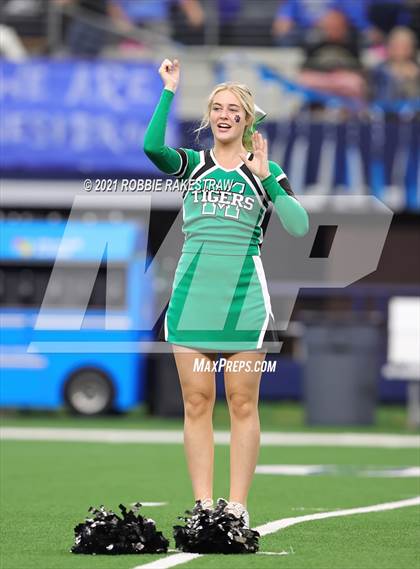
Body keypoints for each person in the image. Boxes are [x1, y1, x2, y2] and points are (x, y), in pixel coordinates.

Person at [143, 59, 309, 531]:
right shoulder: (195, 164)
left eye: (234, 109)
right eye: (216, 107)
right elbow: (151, 146)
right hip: (193, 297)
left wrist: (269, 179)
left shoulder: (265, 170)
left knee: (241, 403)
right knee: (197, 403)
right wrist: (169, 90)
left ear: (248, 119)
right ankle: (202, 503)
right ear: (209, 117)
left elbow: (299, 228)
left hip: (244, 300)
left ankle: (236, 505)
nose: (224, 114)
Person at [371, 26, 420, 105]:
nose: (400, 50)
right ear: (389, 47)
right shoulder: (380, 70)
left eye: (405, 46)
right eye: (396, 45)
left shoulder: (417, 69)